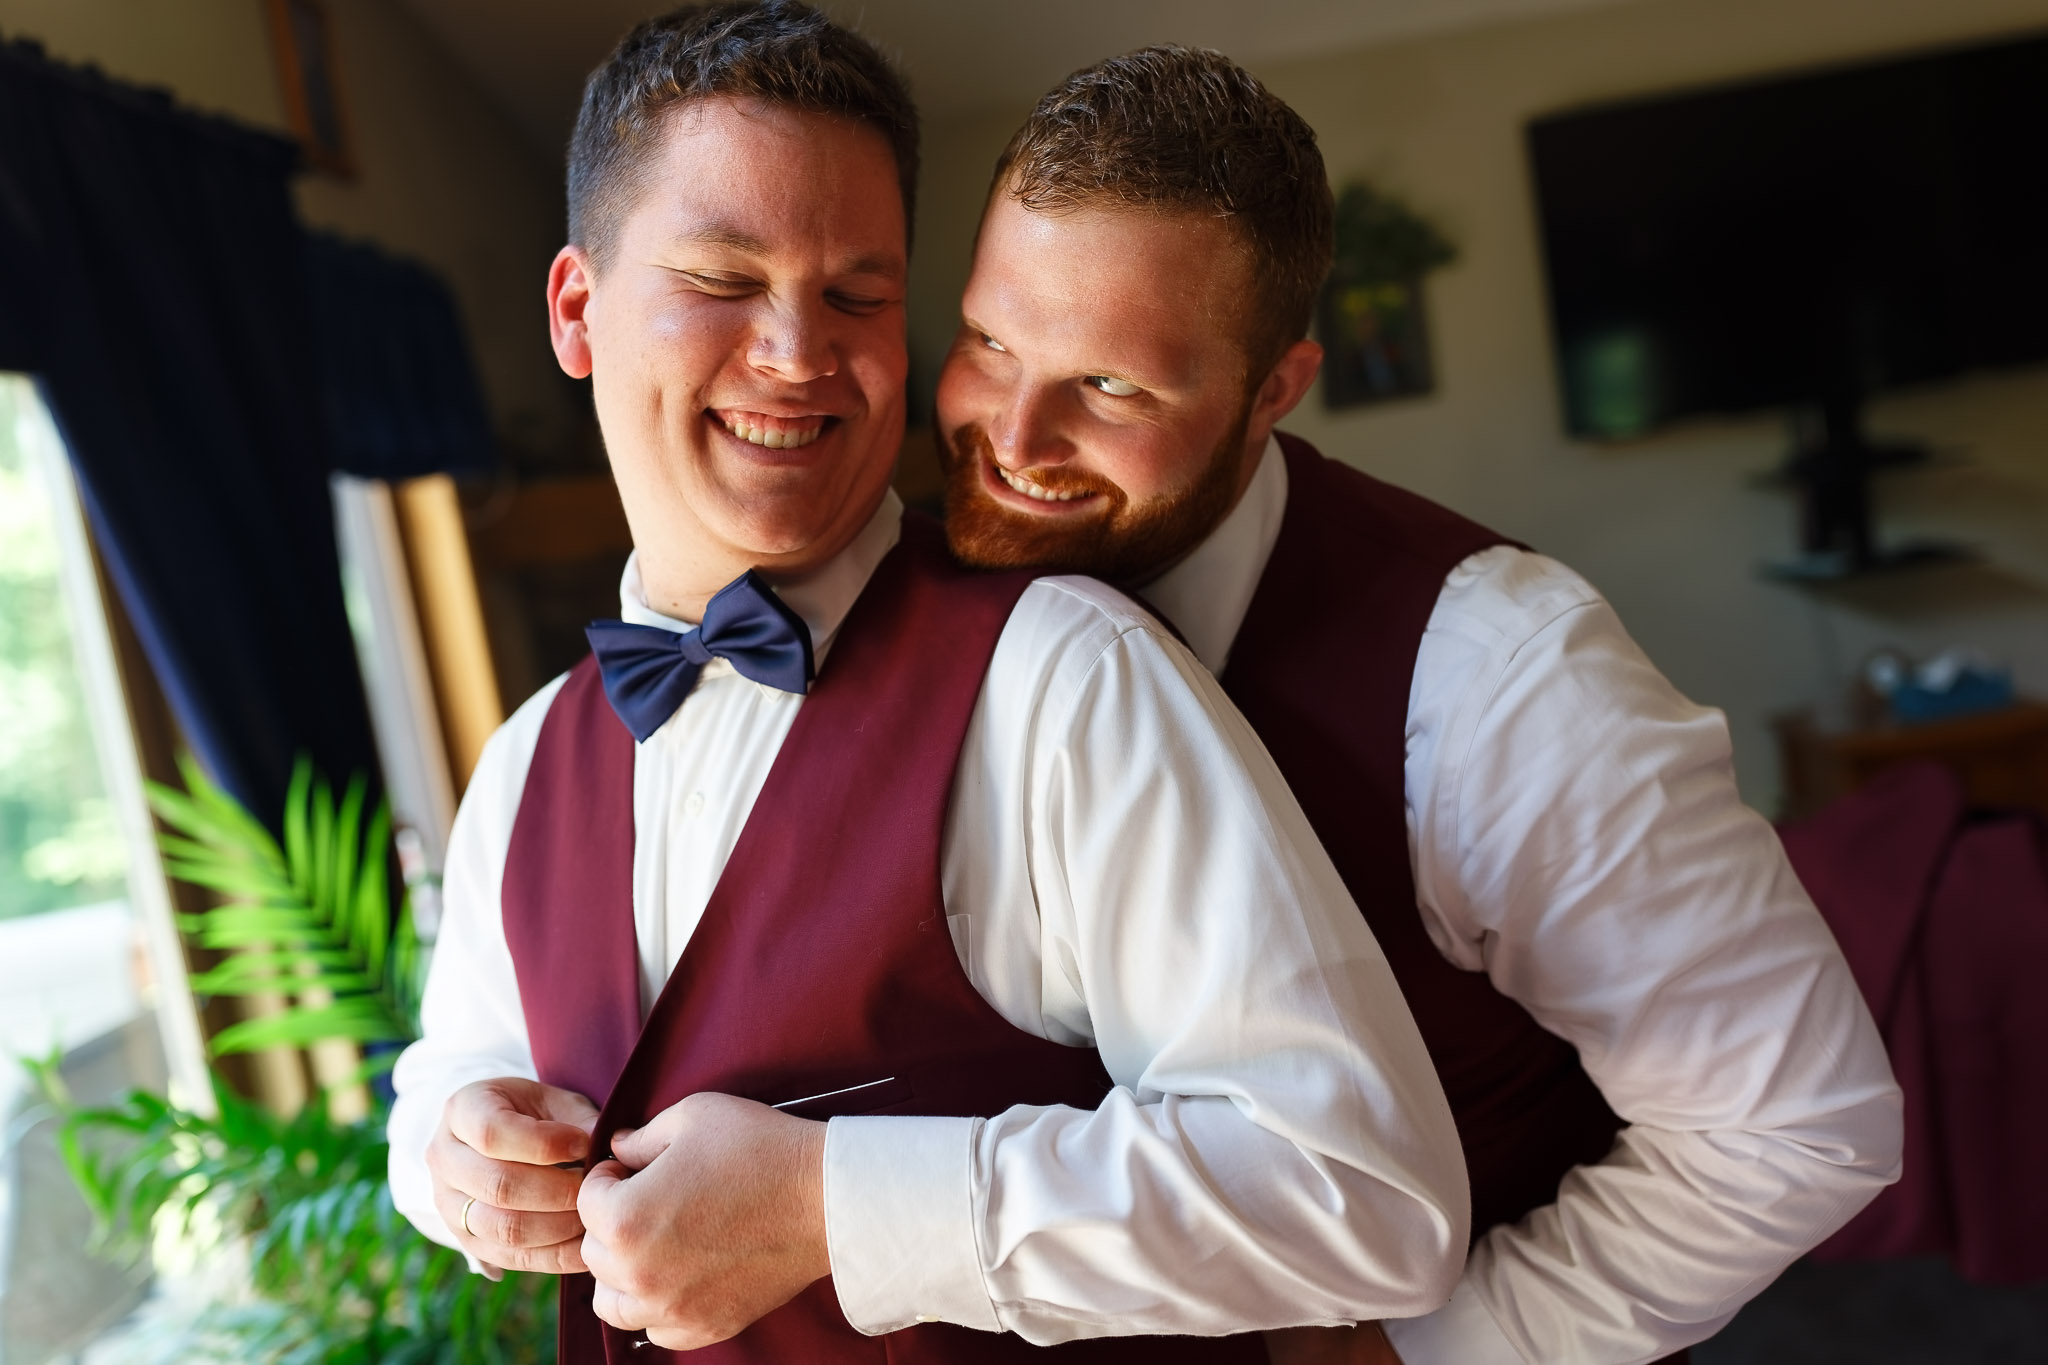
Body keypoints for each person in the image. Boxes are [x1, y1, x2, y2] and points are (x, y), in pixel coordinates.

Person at [386, 7, 1470, 1361]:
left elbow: (1366, 1196)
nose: (795, 350)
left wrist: (837, 1205)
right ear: (576, 310)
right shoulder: (524, 763)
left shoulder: (1067, 679)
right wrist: (449, 1155)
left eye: (856, 293)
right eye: (724, 277)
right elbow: (452, 1067)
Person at [933, 45, 1903, 1365]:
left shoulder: (1505, 676)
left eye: (1112, 386)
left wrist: (1435, 1348)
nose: (1012, 434)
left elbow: (1795, 1121)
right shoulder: (922, 593)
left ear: (1276, 389)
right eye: (989, 339)